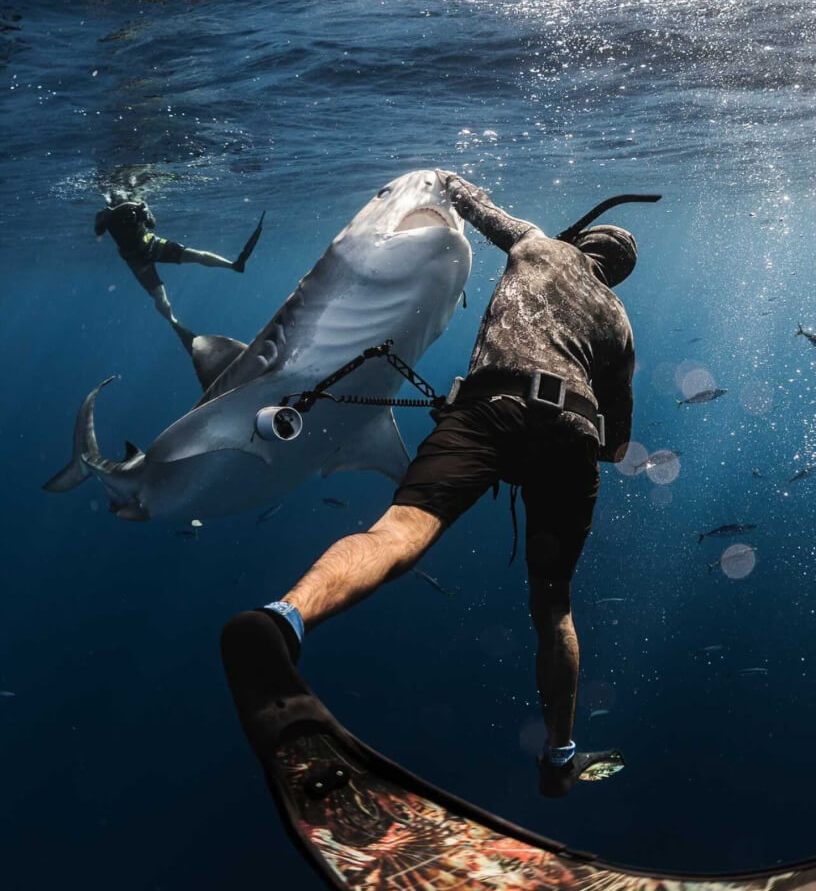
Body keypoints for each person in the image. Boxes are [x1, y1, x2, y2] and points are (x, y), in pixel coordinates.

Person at [253, 171, 637, 797]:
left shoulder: (537, 245)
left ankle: (283, 620)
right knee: (554, 609)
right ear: (616, 274)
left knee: (398, 532)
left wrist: (440, 180)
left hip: (486, 409)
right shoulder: (617, 322)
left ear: (583, 241)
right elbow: (616, 447)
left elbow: (466, 197)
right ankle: (561, 753)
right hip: (571, 434)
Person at [94, 192, 262, 353]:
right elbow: (98, 231)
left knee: (196, 255)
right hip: (136, 259)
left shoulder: (138, 204)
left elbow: (152, 224)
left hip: (153, 245)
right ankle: (173, 321)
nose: (120, 200)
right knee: (160, 296)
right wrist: (107, 217)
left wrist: (144, 213)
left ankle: (234, 265)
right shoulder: (104, 213)